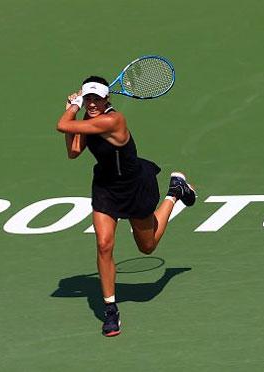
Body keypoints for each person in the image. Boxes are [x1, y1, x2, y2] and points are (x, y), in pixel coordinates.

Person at [56, 76, 196, 337]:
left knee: (147, 245)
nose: (93, 103)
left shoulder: (114, 120)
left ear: (108, 99)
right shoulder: (87, 120)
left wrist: (72, 109)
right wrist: (73, 113)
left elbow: (62, 125)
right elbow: (74, 151)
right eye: (89, 98)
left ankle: (175, 192)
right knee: (104, 243)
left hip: (134, 186)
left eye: (97, 98)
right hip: (106, 188)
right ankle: (111, 310)